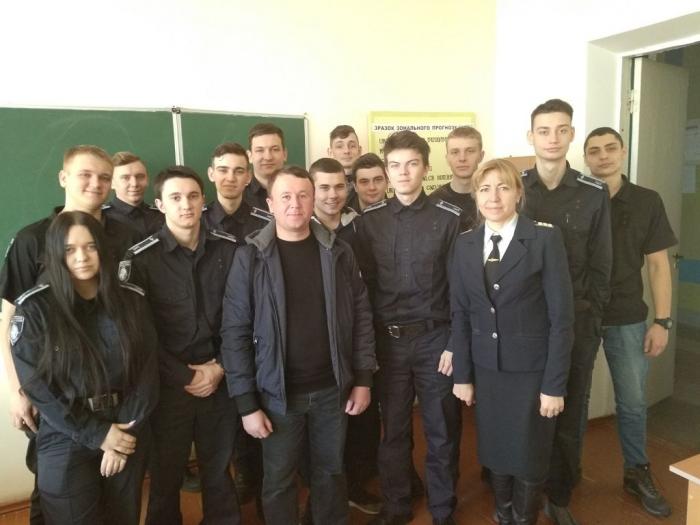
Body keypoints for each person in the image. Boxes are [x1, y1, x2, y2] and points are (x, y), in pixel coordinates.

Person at [221, 166, 377, 525]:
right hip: (276, 395)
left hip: (332, 390)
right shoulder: (249, 258)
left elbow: (361, 316)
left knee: (331, 473)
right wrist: (246, 403)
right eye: (286, 196)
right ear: (270, 204)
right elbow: (234, 333)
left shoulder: (338, 252)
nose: (295, 203)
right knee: (278, 480)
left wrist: (363, 378)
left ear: (313, 199)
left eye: (303, 195)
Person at [0, 145, 138, 525]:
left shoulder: (127, 236)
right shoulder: (32, 239)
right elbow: (9, 319)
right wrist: (17, 390)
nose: (96, 184)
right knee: (54, 495)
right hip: (56, 397)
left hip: (117, 397)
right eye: (85, 175)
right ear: (64, 178)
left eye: (104, 177)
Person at [10, 211, 159, 525]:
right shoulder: (35, 308)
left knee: (123, 518)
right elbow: (39, 388)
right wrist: (99, 434)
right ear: (55, 253)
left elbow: (147, 371)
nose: (82, 257)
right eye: (70, 249)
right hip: (66, 432)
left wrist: (120, 437)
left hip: (125, 426)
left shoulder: (131, 299)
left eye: (91, 247)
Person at [451, 159, 574, 525]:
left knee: (531, 452)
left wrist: (554, 385)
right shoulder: (465, 244)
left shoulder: (544, 239)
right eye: (485, 189)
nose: (494, 197)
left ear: (518, 194)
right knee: (496, 447)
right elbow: (460, 313)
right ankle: (504, 513)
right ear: (476, 196)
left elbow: (561, 319)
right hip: (488, 369)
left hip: (532, 372)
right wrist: (462, 375)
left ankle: (523, 518)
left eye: (503, 187)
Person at [121, 166, 241, 525]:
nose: (185, 205)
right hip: (167, 385)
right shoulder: (140, 259)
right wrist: (184, 376)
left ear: (203, 200)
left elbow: (242, 318)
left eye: (192, 196)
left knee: (219, 471)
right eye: (175, 198)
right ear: (160, 205)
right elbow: (138, 333)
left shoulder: (230, 250)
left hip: (221, 378)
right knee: (166, 475)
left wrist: (219, 367)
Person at [357, 131, 461, 525]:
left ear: (426, 168)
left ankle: (442, 508)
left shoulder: (449, 219)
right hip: (389, 343)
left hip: (436, 340)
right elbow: (364, 289)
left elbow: (461, 289)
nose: (403, 172)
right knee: (394, 431)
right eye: (395, 165)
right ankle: (396, 505)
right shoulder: (370, 222)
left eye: (412, 164)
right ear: (386, 170)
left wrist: (455, 342)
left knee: (442, 429)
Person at [521, 99, 612, 525]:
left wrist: (592, 320)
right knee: (527, 408)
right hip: (525, 323)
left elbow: (602, 263)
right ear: (531, 137)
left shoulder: (593, 193)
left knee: (570, 410)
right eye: (544, 131)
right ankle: (523, 484)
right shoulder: (517, 189)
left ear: (572, 134)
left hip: (576, 322)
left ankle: (559, 493)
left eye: (561, 130)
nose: (553, 139)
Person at [584, 127, 675, 518]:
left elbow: (658, 265)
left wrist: (663, 321)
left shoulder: (646, 201)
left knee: (634, 402)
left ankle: (637, 472)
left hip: (627, 316)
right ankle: (564, 472)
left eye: (610, 148)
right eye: (594, 151)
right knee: (573, 400)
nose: (603, 156)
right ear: (585, 158)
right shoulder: (577, 197)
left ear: (622, 152)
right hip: (581, 315)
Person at [309, 157, 382, 516]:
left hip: (358, 347)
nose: (332, 194)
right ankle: (318, 502)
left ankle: (355, 487)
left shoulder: (361, 229)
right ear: (311, 190)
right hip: (316, 355)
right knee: (320, 436)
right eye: (323, 187)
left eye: (339, 186)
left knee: (361, 425)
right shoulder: (298, 230)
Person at [204, 142, 272, 241]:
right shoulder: (198, 221)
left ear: (248, 177)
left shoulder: (266, 224)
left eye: (239, 171)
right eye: (223, 170)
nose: (231, 178)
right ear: (211, 174)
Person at [428, 126, 484, 232]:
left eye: (470, 151)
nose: (462, 158)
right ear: (447, 158)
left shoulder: (494, 198)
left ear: (481, 156)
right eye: (455, 152)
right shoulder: (434, 202)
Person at [103, 151, 164, 237]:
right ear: (111, 183)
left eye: (140, 176)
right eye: (125, 178)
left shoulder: (162, 215)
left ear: (147, 180)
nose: (134, 184)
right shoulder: (101, 218)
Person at [244, 123, 288, 210]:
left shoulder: (301, 194)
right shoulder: (239, 198)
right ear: (249, 156)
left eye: (275, 149)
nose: (268, 157)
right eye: (260, 150)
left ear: (285, 154)